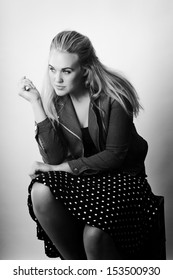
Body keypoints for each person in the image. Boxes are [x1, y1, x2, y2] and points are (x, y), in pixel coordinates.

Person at [19, 30, 159, 260]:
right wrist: (36, 103)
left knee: (94, 237)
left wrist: (59, 169)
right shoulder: (58, 96)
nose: (57, 79)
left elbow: (114, 156)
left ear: (85, 68)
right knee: (40, 190)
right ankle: (77, 269)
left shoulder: (115, 93)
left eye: (66, 71)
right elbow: (52, 159)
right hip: (86, 180)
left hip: (123, 178)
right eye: (52, 69)